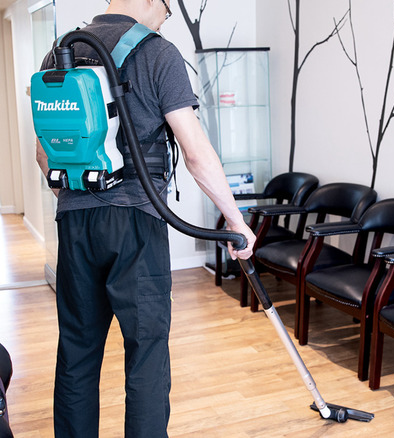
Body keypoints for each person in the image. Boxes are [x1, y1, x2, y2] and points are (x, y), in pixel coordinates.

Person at [35, 0, 256, 436]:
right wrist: (236, 221)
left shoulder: (58, 51)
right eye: (167, 11)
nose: (164, 19)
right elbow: (195, 152)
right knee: (146, 354)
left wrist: (72, 193)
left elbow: (44, 150)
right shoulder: (158, 52)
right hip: (136, 221)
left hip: (75, 224)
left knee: (77, 352)